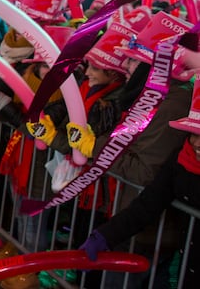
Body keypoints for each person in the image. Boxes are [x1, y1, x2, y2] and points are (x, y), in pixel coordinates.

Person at [80, 74, 200, 287]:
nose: (197, 143)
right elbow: (149, 202)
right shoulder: (183, 157)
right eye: (192, 133)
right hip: (184, 263)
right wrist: (105, 236)